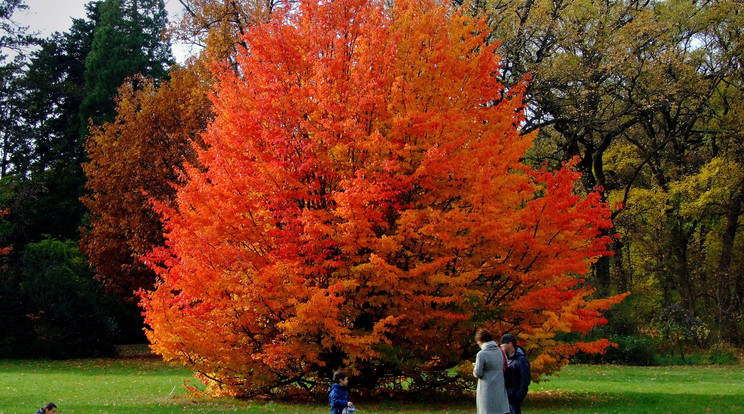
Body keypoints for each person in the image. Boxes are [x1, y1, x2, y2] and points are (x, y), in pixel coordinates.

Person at [473, 328, 510, 414]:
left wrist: (475, 368)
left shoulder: (481, 354)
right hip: (500, 387)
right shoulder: (501, 352)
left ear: (482, 340)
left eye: (478, 342)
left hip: (486, 389)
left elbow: (478, 373)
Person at [500, 333, 531, 414]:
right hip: (506, 396)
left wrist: (519, 396)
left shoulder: (521, 360)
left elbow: (526, 379)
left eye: (503, 343)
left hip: (515, 396)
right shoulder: (505, 359)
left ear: (510, 344)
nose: (501, 346)